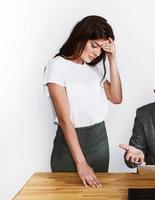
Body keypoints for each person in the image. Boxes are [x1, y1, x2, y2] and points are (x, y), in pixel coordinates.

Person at [43, 15, 122, 188]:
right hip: (70, 146)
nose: (97, 53)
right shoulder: (57, 66)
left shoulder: (94, 68)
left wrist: (112, 60)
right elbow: (64, 119)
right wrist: (81, 163)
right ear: (80, 37)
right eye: (94, 45)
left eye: (101, 49)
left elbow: (116, 98)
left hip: (99, 141)